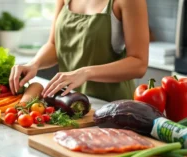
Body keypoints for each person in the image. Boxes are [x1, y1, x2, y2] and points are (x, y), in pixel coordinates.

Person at [9, 0, 149, 102]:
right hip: (70, 103)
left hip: (111, 105)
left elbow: (139, 63)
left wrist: (85, 73)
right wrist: (34, 64)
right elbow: (54, 45)